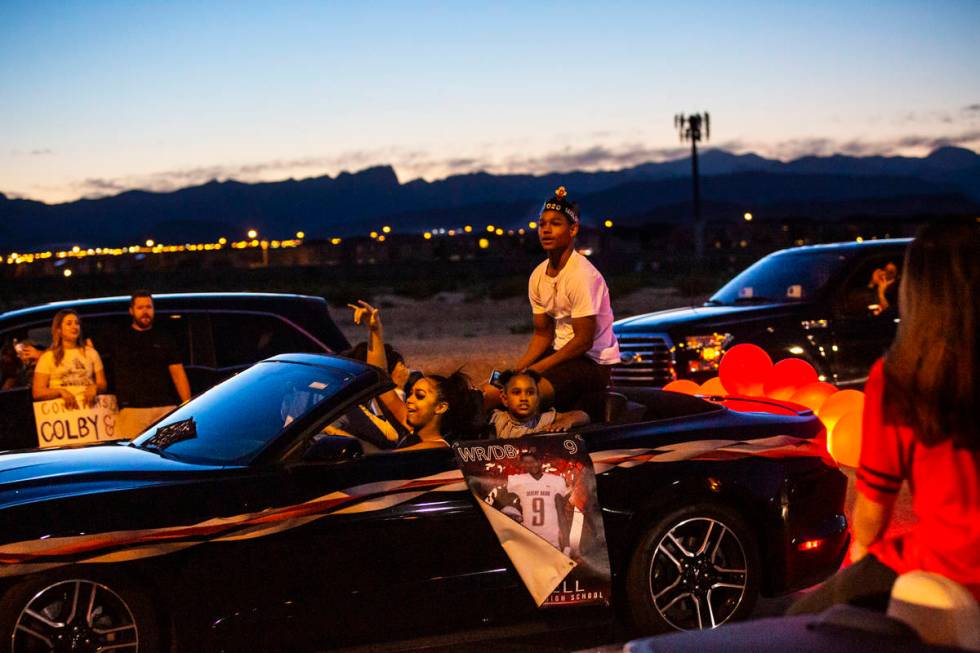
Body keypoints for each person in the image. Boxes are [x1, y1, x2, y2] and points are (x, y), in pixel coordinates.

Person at [789, 221, 980, 614]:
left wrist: (859, 563)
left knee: (802, 619)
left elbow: (873, 516)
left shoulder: (900, 378)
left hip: (942, 573)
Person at [513, 186, 620, 411]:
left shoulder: (582, 275)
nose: (546, 230)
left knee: (526, 394)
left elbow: (583, 341)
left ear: (573, 230)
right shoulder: (538, 275)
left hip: (591, 362)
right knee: (497, 388)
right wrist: (517, 370)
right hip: (560, 355)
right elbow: (542, 334)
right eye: (542, 224)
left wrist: (536, 370)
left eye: (555, 223)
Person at [346, 300, 480, 449]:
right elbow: (380, 376)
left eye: (420, 395)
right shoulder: (410, 429)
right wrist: (375, 330)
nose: (409, 400)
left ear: (441, 407)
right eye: (410, 394)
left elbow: (385, 462)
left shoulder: (435, 447)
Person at [112, 291, 191, 439]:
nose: (145, 312)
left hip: (166, 409)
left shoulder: (164, 338)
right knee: (133, 458)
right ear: (131, 311)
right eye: (140, 308)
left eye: (149, 307)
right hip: (132, 411)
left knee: (170, 455)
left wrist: (186, 406)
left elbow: (178, 373)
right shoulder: (119, 338)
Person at [32, 310, 107, 409]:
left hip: (91, 411)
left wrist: (95, 387)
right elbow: (37, 392)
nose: (74, 327)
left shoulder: (91, 353)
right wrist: (60, 391)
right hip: (62, 413)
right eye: (69, 323)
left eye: (77, 323)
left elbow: (103, 384)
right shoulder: (47, 357)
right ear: (59, 329)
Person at [500, 450, 573, 551]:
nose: (530, 465)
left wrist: (567, 546)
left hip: (551, 540)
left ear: (540, 462)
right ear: (522, 465)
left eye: (533, 462)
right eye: (526, 463)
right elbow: (492, 484)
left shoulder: (556, 481)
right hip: (529, 539)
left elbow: (561, 514)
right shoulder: (517, 480)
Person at [489, 369, 590, 438]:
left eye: (530, 393)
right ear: (504, 398)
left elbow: (582, 415)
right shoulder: (496, 418)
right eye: (516, 392)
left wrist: (567, 421)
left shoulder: (543, 421)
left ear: (537, 398)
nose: (524, 398)